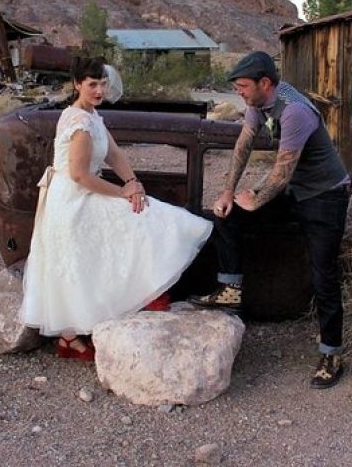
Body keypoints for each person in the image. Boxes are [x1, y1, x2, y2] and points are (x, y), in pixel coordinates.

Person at [19, 57, 213, 361]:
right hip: (72, 199)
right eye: (92, 84)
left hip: (84, 191)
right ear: (77, 85)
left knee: (145, 210)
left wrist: (133, 181)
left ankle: (144, 295)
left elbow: (114, 153)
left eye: (102, 83)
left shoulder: (93, 116)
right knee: (134, 218)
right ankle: (72, 336)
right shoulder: (78, 122)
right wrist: (122, 193)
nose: (99, 90)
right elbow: (80, 175)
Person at [189, 51, 351, 389]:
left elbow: (280, 175)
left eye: (244, 87)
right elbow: (243, 146)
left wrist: (255, 198)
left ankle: (331, 353)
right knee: (227, 214)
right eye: (237, 88)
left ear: (265, 83)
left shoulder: (295, 113)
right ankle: (231, 287)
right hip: (294, 188)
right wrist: (228, 193)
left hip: (325, 195)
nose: (240, 93)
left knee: (324, 273)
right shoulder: (259, 101)